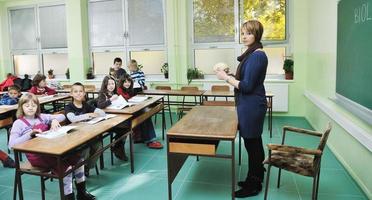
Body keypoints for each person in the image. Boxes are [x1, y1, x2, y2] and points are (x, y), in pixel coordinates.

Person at [215, 20, 268, 198]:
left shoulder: (258, 55)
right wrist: (229, 74)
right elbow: (245, 81)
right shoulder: (251, 54)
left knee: (252, 144)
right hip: (248, 104)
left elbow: (246, 86)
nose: (244, 36)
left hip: (252, 105)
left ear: (257, 35)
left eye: (249, 33)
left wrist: (225, 77)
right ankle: (257, 175)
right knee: (253, 142)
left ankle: (254, 185)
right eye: (243, 33)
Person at [8, 93, 95, 200]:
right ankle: (69, 197)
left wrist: (54, 120)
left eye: (33, 105)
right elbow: (11, 145)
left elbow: (62, 115)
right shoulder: (18, 123)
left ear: (37, 107)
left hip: (52, 149)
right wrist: (29, 134)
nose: (31, 108)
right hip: (37, 156)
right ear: (21, 107)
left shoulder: (41, 117)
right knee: (66, 168)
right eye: (27, 106)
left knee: (79, 160)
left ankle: (82, 193)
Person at [64, 82, 105, 176]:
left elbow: (102, 113)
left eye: (81, 91)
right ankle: (79, 170)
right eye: (75, 91)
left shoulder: (86, 105)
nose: (78, 93)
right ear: (71, 94)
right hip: (73, 137)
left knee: (98, 145)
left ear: (84, 93)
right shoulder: (68, 107)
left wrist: (96, 113)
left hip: (86, 135)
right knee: (85, 149)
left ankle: (86, 167)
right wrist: (88, 115)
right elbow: (72, 119)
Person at [117, 74, 163, 149]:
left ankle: (142, 137)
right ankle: (150, 140)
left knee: (145, 114)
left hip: (130, 110)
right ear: (121, 83)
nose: (127, 83)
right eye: (125, 82)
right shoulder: (120, 90)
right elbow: (125, 100)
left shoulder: (128, 89)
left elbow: (131, 99)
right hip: (125, 114)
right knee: (145, 116)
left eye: (129, 82)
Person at [96, 76, 128, 161]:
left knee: (127, 127)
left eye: (113, 83)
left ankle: (117, 146)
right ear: (105, 85)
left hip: (115, 118)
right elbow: (100, 105)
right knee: (125, 129)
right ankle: (117, 148)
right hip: (106, 121)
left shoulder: (115, 93)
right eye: (109, 84)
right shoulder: (102, 94)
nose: (111, 86)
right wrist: (111, 100)